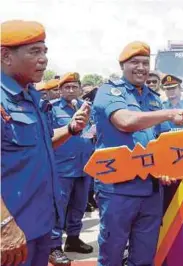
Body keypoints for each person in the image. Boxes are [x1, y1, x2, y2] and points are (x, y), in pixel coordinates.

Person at [92, 41, 183, 265]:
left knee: (144, 255)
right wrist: (169, 113)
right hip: (118, 188)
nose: (141, 67)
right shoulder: (109, 92)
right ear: (122, 65)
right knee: (112, 253)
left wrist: (167, 169)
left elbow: (161, 141)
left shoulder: (153, 98)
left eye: (145, 63)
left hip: (150, 189)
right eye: (134, 62)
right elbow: (125, 121)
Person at [1, 20, 90, 266]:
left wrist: (71, 129)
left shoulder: (31, 97)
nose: (44, 59)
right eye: (34, 51)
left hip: (39, 225)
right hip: (11, 229)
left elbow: (41, 145)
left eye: (44, 51)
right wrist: (4, 225)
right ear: (6, 56)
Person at [48, 72, 94, 265]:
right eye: (66, 87)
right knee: (59, 208)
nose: (71, 90)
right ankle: (54, 246)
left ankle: (73, 240)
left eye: (74, 86)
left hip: (84, 167)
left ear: (80, 89)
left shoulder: (87, 108)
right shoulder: (51, 109)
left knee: (79, 206)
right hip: (62, 168)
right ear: (59, 90)